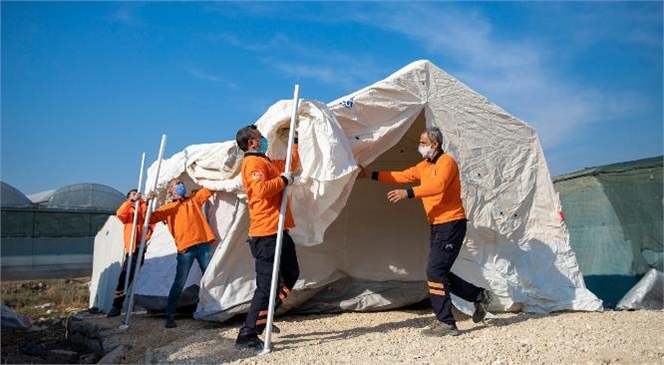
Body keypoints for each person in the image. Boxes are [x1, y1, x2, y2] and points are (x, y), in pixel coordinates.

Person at [358, 126, 492, 337]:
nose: (420, 147)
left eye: (423, 143)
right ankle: (478, 295)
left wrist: (408, 193)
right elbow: (401, 176)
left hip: (452, 223)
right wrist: (370, 174)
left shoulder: (447, 162)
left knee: (435, 271)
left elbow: (438, 186)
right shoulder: (424, 166)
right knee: (439, 271)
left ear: (435, 144)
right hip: (437, 225)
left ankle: (446, 323)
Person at [234, 125, 300, 350]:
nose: (263, 139)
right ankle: (247, 332)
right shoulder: (252, 163)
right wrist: (283, 181)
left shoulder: (266, 161)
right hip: (266, 233)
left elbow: (289, 166)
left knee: (291, 274)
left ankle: (264, 318)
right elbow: (262, 189)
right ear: (251, 142)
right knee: (265, 286)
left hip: (280, 230)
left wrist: (296, 139)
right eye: (259, 137)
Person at [148, 179, 216, 328]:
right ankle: (170, 315)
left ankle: (213, 308)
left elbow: (210, 189)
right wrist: (148, 202)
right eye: (177, 184)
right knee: (179, 282)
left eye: (181, 183)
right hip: (185, 248)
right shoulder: (169, 208)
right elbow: (150, 218)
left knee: (210, 278)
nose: (181, 185)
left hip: (202, 243)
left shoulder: (193, 200)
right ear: (171, 190)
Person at [107, 189, 153, 318]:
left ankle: (144, 304)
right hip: (133, 248)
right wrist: (131, 201)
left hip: (144, 247)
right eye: (133, 194)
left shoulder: (143, 207)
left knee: (143, 276)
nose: (136, 195)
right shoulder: (128, 210)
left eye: (137, 193)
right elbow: (119, 214)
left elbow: (150, 220)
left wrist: (146, 200)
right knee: (125, 277)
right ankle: (116, 306)